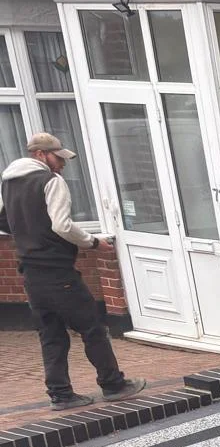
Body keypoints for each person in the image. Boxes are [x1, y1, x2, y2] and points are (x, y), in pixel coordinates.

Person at [0, 132, 144, 410]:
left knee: (51, 335)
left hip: (30, 273)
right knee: (93, 328)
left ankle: (61, 395)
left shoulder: (9, 183)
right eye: (58, 158)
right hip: (57, 271)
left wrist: (28, 233)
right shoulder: (50, 181)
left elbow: (3, 220)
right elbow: (62, 225)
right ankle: (114, 385)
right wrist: (92, 242)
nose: (63, 164)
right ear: (41, 155)